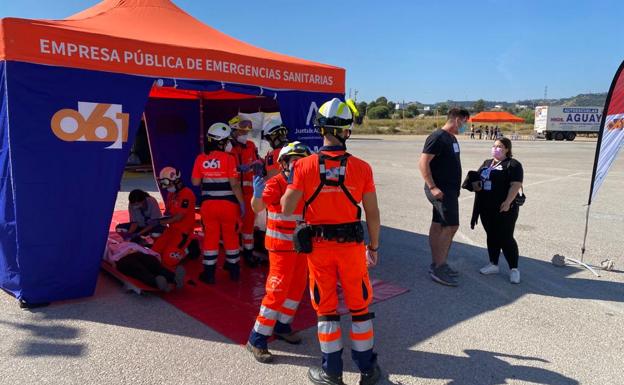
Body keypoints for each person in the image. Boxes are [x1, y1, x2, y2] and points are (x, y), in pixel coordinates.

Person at [281, 98, 382, 385]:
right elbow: (373, 214)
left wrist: (291, 178)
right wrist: (373, 247)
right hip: (352, 249)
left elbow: (287, 208)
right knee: (360, 307)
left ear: (321, 129)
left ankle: (332, 371)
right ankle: (367, 370)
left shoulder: (303, 166)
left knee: (326, 308)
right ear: (346, 131)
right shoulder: (362, 168)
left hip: (319, 250)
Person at [246, 141, 312, 363]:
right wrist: (256, 194)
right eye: (294, 160)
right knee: (277, 291)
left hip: (301, 248)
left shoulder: (309, 185)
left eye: (302, 161)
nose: (298, 164)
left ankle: (283, 326)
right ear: (283, 163)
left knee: (296, 289)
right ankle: (257, 338)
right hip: (280, 248)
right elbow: (257, 207)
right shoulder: (276, 183)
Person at [418, 107, 470, 287]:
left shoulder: (452, 138)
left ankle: (438, 263)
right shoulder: (437, 137)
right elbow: (423, 162)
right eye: (465, 122)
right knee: (451, 226)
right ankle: (439, 267)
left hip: (448, 191)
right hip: (440, 191)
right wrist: (432, 187)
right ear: (457, 119)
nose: (466, 126)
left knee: (438, 224)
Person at [192, 122, 245, 283]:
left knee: (210, 238)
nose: (230, 144)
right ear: (221, 142)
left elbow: (195, 182)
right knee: (231, 237)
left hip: (208, 206)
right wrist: (242, 204)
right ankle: (234, 271)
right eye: (228, 140)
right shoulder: (229, 159)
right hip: (228, 205)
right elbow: (235, 185)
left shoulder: (201, 158)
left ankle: (209, 274)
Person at [470, 138, 524, 283]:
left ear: (507, 149)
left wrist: (507, 202)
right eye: (494, 146)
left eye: (499, 146)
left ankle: (514, 269)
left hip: (505, 208)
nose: (495, 148)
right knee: (492, 235)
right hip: (485, 207)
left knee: (506, 238)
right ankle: (493, 264)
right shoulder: (487, 163)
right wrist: (475, 184)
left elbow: (516, 185)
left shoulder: (513, 164)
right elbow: (477, 179)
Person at [228, 116, 263, 267]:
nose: (245, 134)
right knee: (233, 226)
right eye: (242, 131)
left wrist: (258, 164)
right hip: (233, 194)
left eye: (247, 131)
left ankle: (248, 254)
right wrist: (237, 168)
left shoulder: (250, 145)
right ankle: (232, 258)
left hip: (249, 193)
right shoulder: (228, 147)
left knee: (248, 227)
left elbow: (258, 160)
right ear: (234, 131)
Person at [150, 166, 200, 269]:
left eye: (168, 183)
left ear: (176, 181)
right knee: (154, 254)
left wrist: (160, 222)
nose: (166, 186)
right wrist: (159, 220)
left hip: (183, 232)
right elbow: (168, 213)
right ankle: (180, 247)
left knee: (168, 260)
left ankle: (190, 247)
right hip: (171, 229)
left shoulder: (187, 194)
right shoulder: (171, 194)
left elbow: (179, 217)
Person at [105, 239, 185, 291]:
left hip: (139, 253)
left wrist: (153, 255)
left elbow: (143, 249)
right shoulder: (107, 246)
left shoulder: (126, 243)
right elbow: (111, 259)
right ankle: (157, 282)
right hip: (123, 259)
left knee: (154, 264)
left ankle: (175, 278)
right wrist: (125, 254)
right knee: (139, 269)